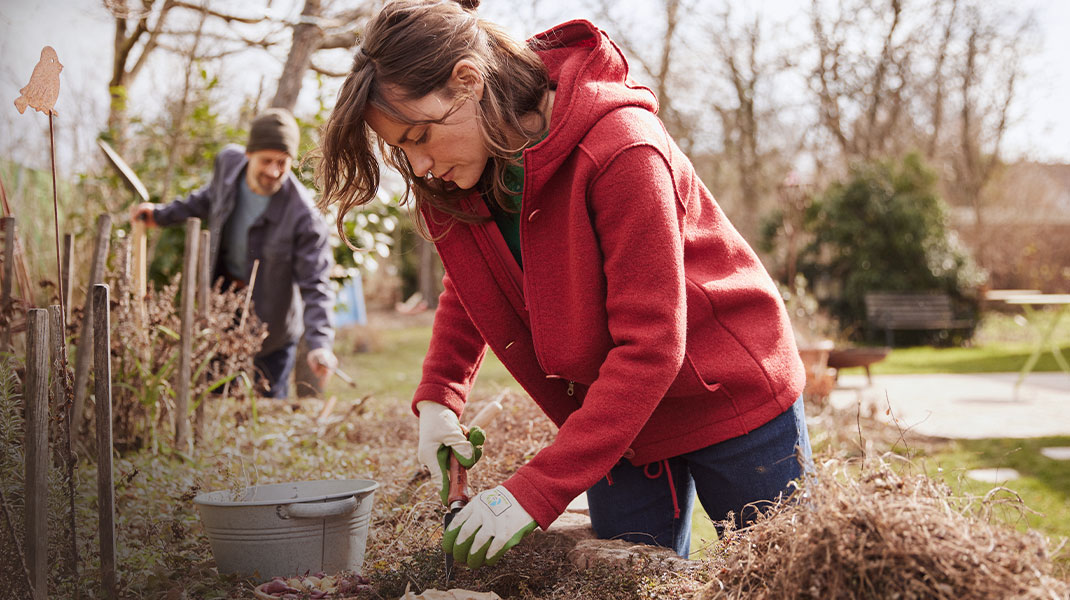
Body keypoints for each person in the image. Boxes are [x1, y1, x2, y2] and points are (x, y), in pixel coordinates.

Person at [317, 0, 812, 567]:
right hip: (615, 423)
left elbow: (651, 346)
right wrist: (440, 397)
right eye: (402, 149)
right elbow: (477, 283)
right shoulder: (469, 172)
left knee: (785, 575)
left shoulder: (622, 148)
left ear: (467, 81)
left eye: (420, 135)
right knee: (622, 581)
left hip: (729, 398)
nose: (420, 164)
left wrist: (533, 491)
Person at [133, 108, 337, 399]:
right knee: (213, 401)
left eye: (283, 163)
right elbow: (207, 199)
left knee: (266, 417)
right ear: (248, 154)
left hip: (273, 328)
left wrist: (320, 344)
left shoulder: (305, 217)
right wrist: (162, 215)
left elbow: (316, 284)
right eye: (266, 160)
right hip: (221, 311)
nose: (274, 171)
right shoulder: (228, 164)